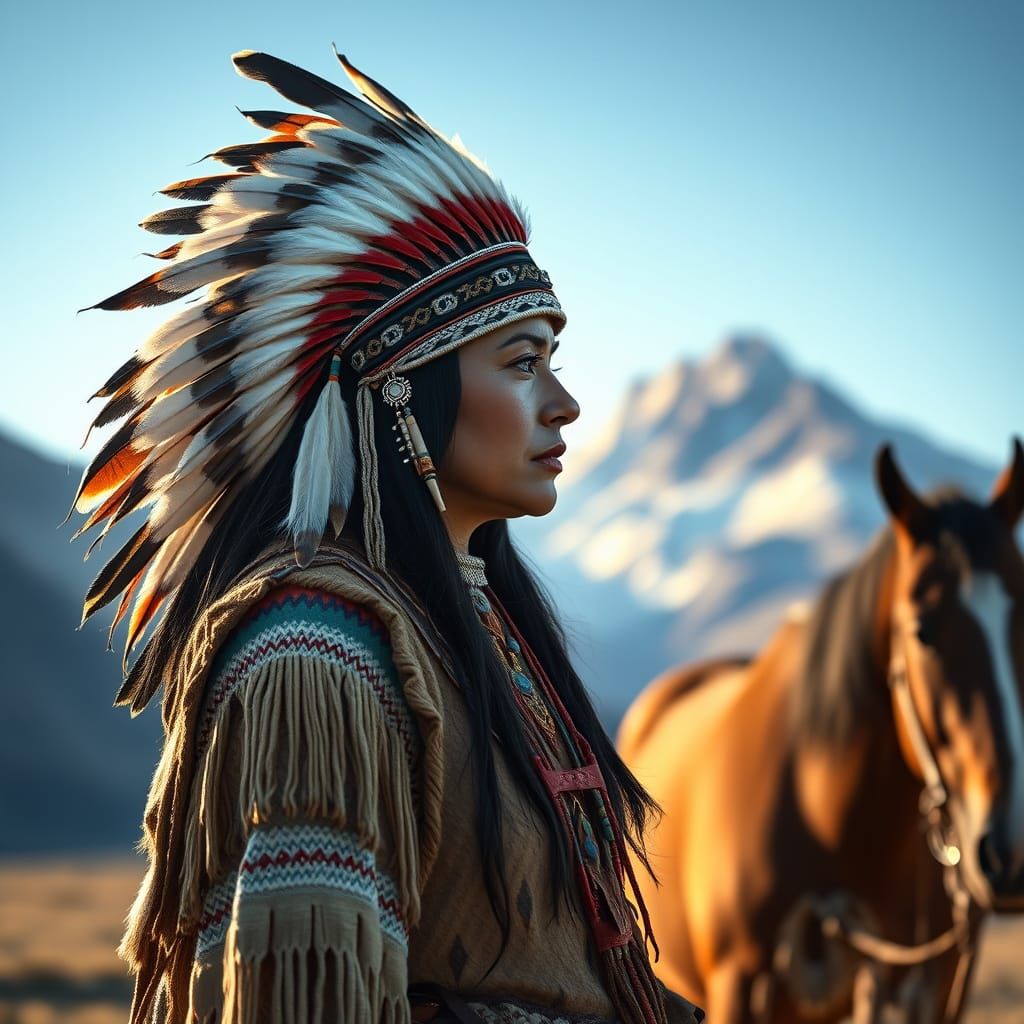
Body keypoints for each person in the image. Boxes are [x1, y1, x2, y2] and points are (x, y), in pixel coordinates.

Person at [74, 47, 705, 1024]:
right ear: (403, 390)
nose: (567, 404)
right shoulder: (316, 659)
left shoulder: (474, 627)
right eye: (524, 362)